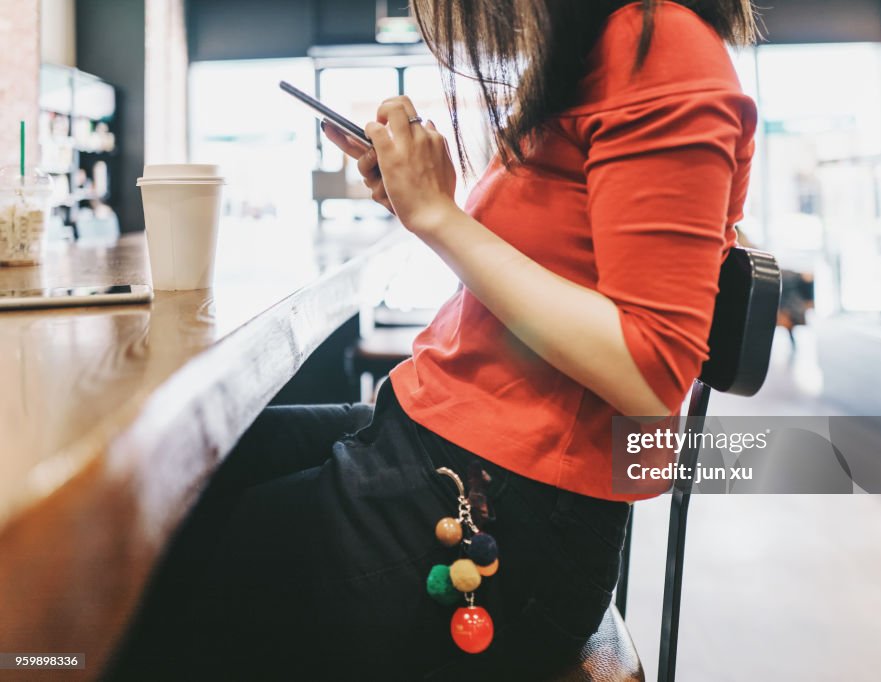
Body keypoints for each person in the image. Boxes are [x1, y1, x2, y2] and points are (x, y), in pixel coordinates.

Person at [107, 1, 757, 680]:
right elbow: (551, 265)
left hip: (511, 510)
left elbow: (647, 376)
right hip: (435, 439)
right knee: (167, 487)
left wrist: (439, 215)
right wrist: (419, 202)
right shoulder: (602, 48)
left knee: (138, 580)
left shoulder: (658, 44)